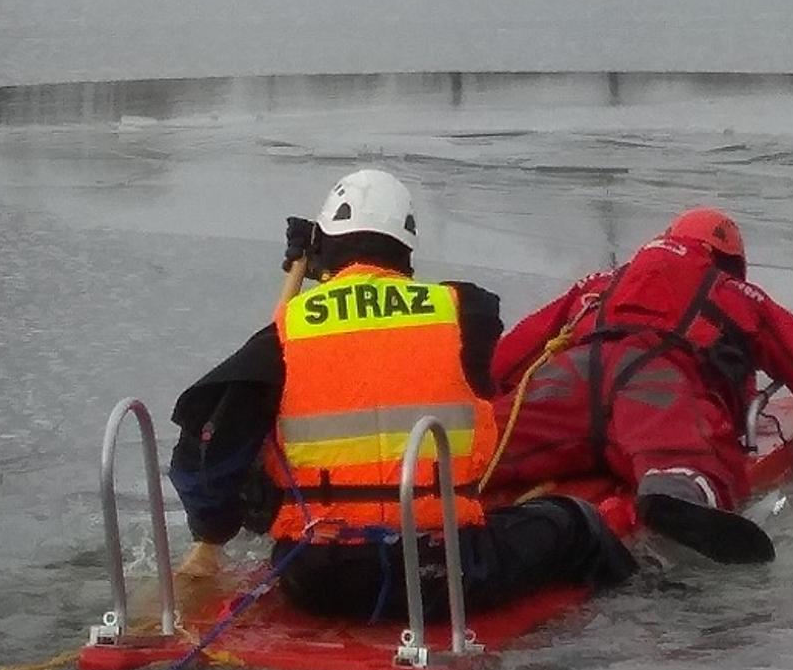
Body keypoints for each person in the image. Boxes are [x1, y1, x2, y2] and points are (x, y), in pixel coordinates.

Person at [165, 169, 635, 620]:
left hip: (318, 578)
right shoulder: (462, 312)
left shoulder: (288, 332)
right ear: (407, 250)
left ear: (324, 247)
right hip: (444, 569)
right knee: (576, 524)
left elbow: (207, 445)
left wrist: (213, 528)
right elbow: (441, 327)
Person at [485, 207, 793, 563]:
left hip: (569, 376)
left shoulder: (599, 284)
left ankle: (449, 483)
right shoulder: (735, 293)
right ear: (728, 260)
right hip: (658, 380)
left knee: (484, 445)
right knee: (679, 457)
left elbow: (503, 364)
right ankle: (675, 491)